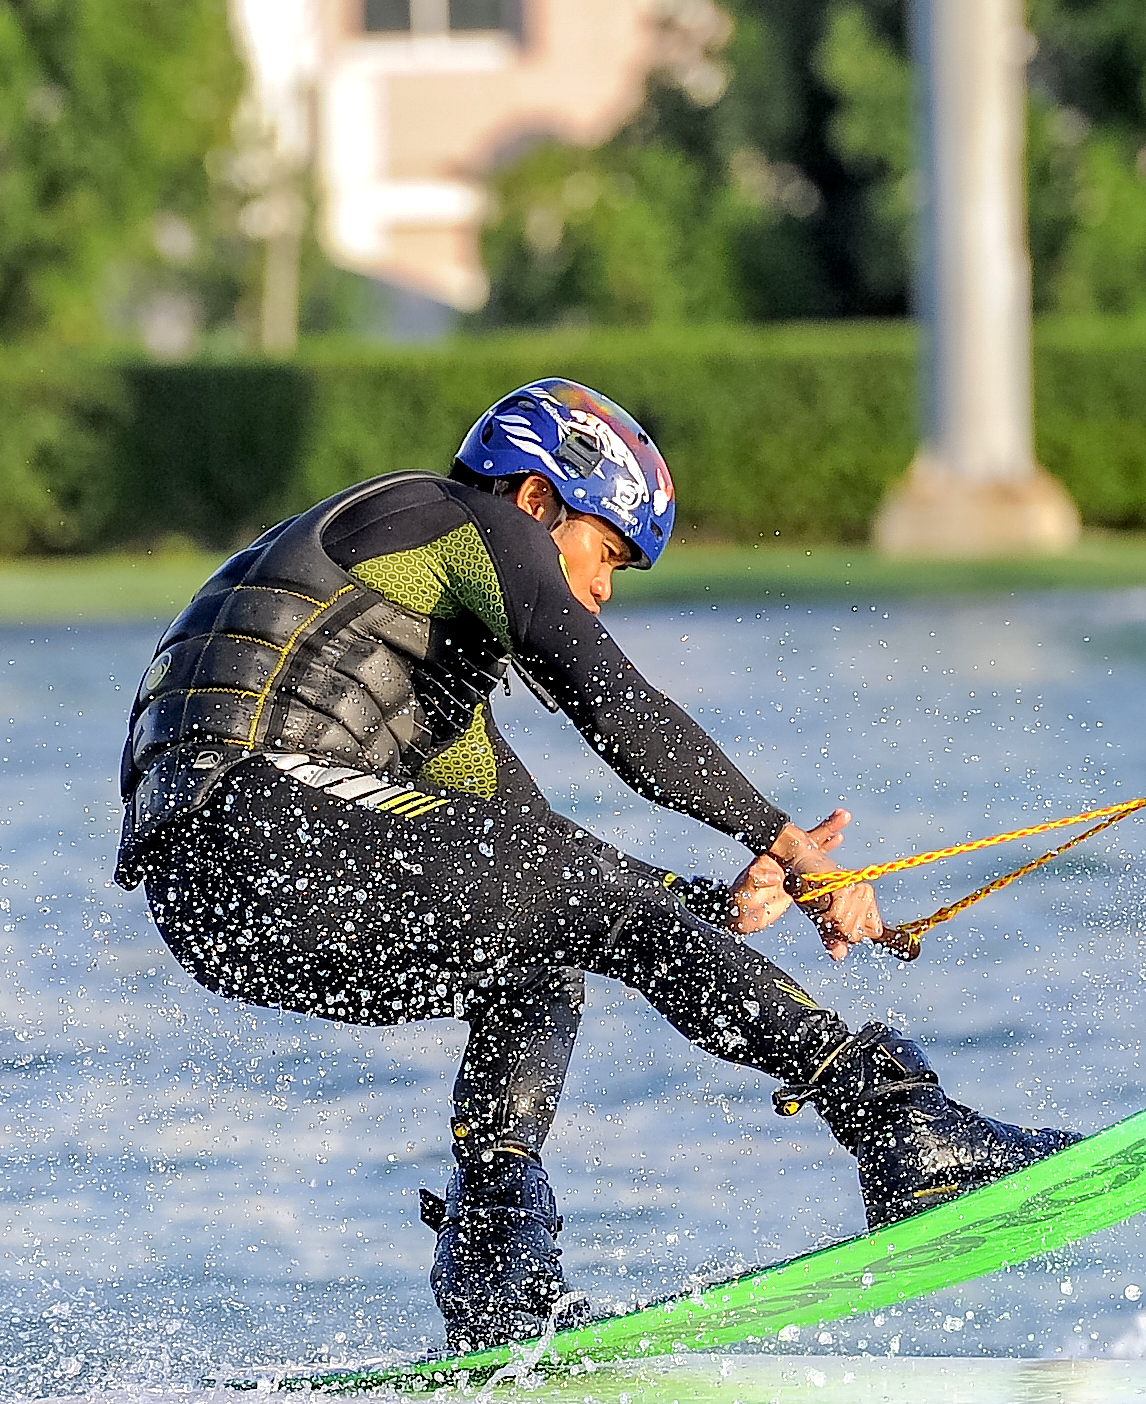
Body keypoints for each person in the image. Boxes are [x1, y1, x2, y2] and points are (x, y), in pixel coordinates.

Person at [112, 378, 1082, 1350]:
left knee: (540, 946)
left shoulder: (410, 644)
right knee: (572, 903)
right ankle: (901, 1130)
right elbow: (620, 712)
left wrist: (712, 904)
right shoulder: (466, 521)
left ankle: (497, 1271)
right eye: (605, 552)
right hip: (269, 825)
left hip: (214, 908)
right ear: (537, 500)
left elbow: (551, 867)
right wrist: (781, 841)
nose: (603, 590)